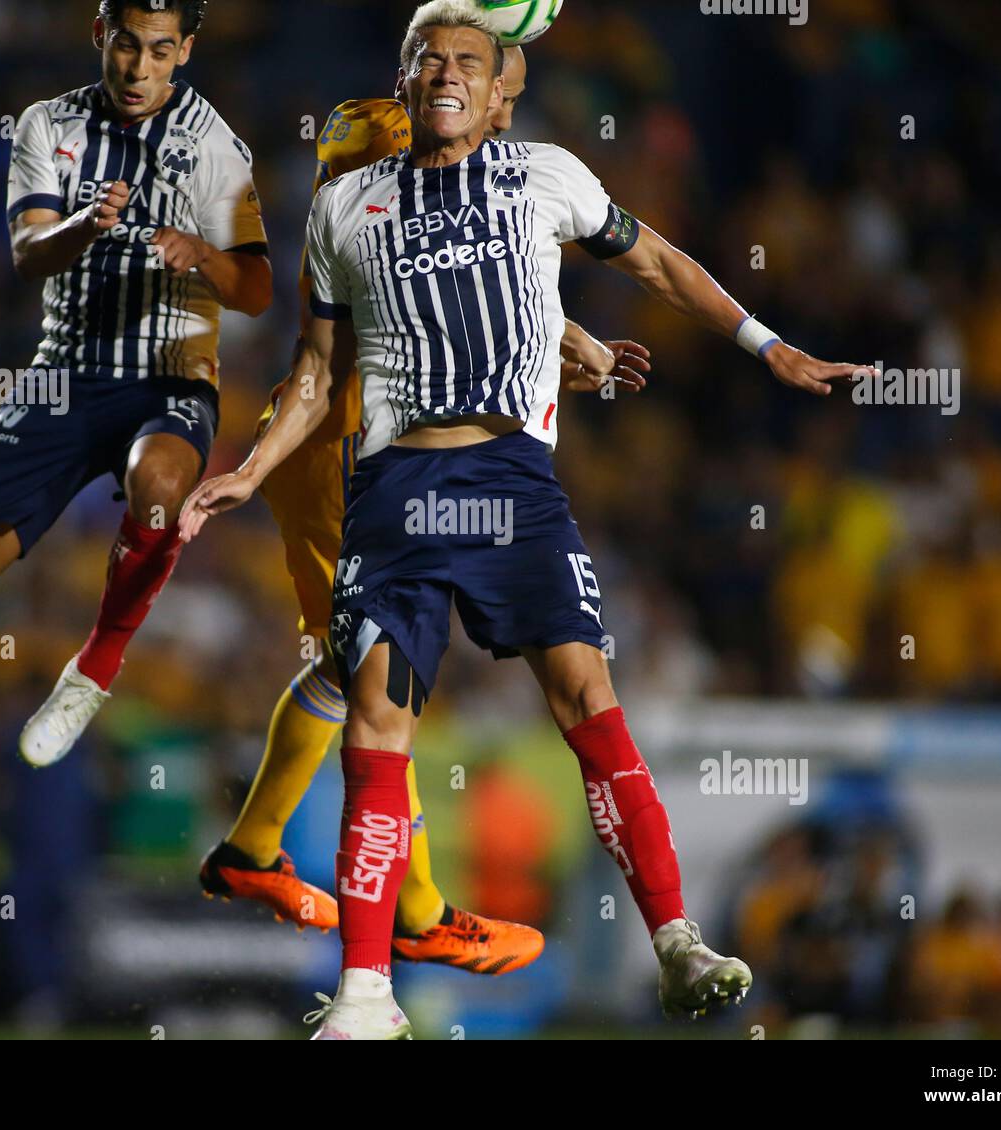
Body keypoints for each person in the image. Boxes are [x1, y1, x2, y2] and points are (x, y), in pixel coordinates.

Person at [180, 1, 873, 1039]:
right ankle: (365, 993)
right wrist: (248, 467)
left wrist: (764, 345)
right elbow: (319, 371)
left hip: (515, 484)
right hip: (396, 491)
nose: (443, 73)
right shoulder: (346, 206)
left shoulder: (548, 177)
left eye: (467, 60)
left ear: (505, 91)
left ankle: (677, 943)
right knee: (377, 727)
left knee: (588, 698)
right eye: (425, 59)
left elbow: (660, 263)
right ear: (403, 82)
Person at [197, 43, 649, 978]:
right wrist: (567, 335)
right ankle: (418, 912)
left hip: (327, 437)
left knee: (342, 667)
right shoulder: (382, 216)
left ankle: (253, 849)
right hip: (349, 446)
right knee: (378, 688)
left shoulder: (354, 209)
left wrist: (565, 334)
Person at [0, 0, 272, 867]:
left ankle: (95, 669)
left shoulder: (219, 147)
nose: (138, 67)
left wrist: (204, 256)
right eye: (124, 45)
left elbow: (256, 289)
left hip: (171, 375)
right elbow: (28, 252)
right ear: (99, 37)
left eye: (158, 50)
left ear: (184, 51)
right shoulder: (49, 124)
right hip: (66, 374)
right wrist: (87, 224)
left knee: (158, 487)